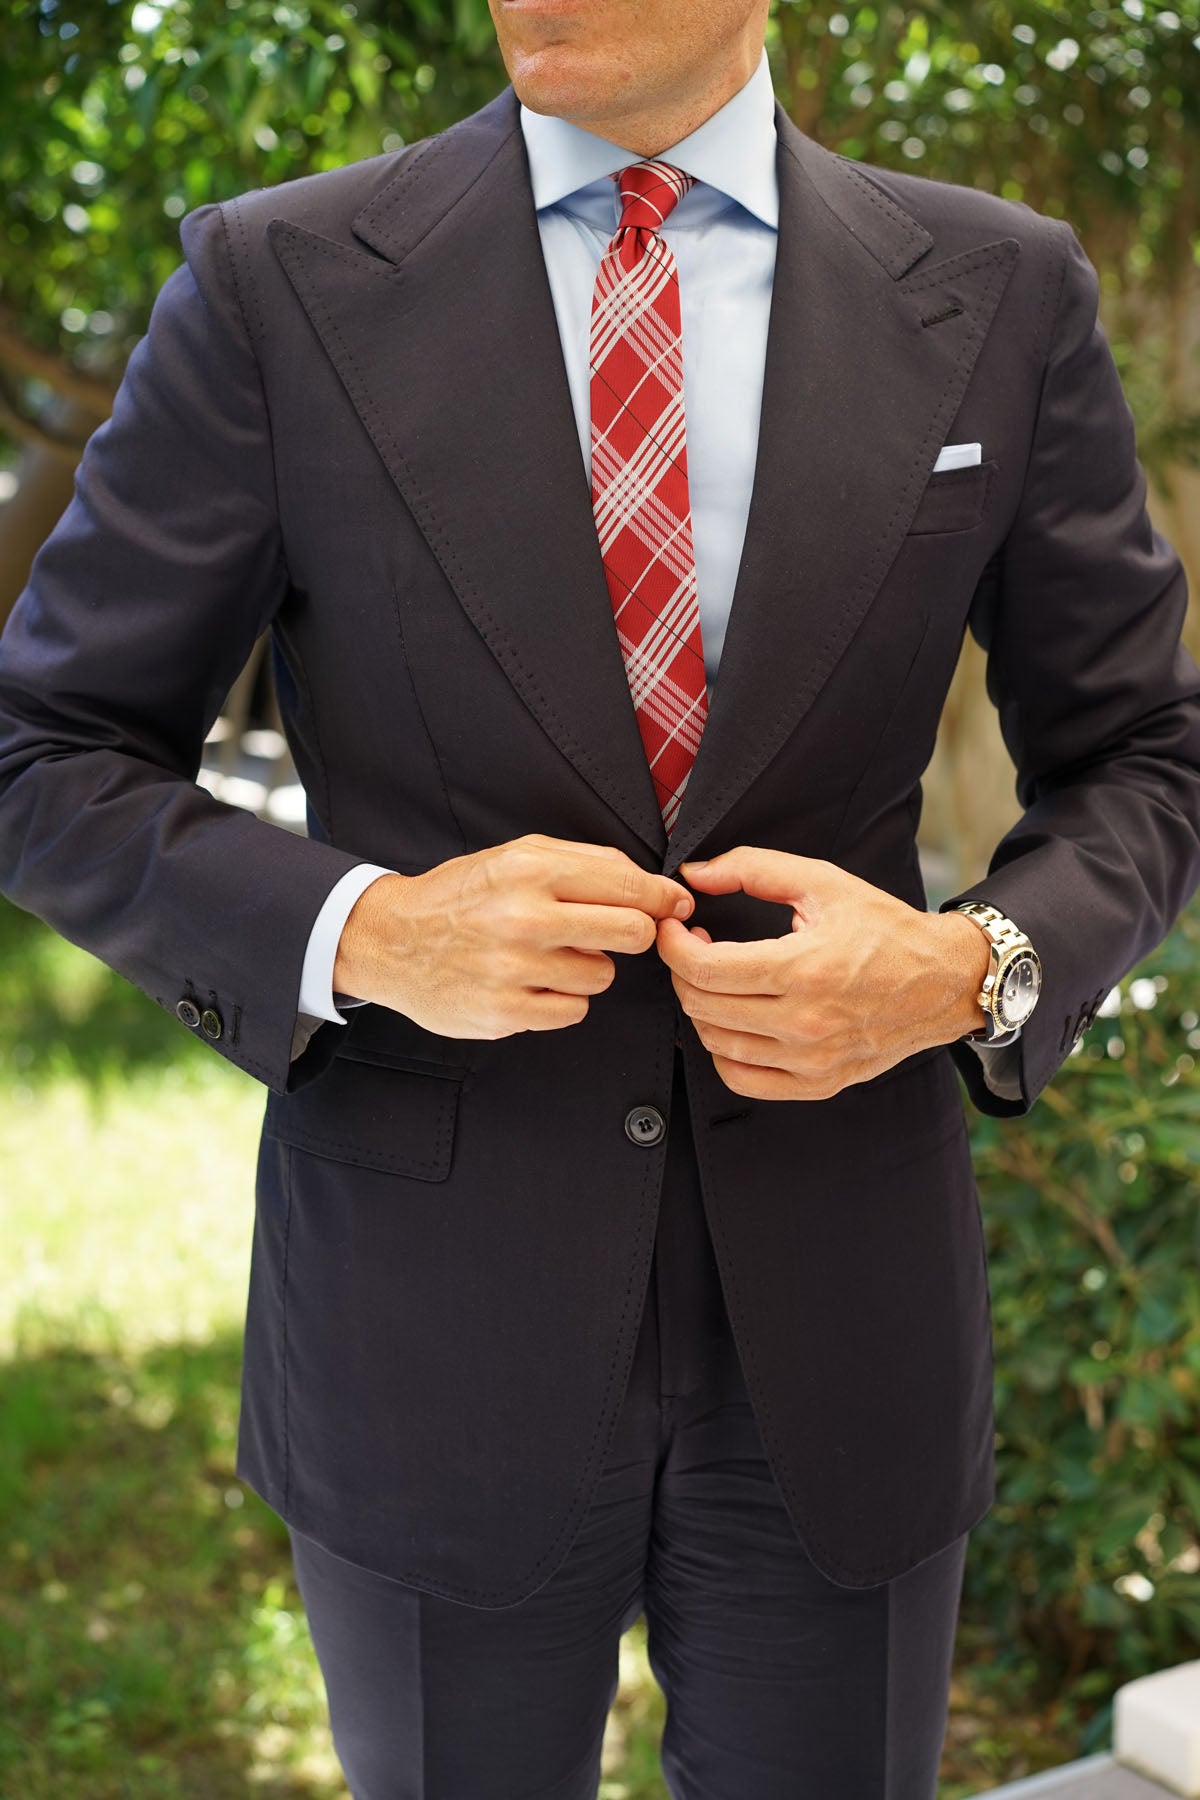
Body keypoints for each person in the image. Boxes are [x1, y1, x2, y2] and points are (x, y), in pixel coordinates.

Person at [1, 0, 1198, 1793]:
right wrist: (364, 934)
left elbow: (1146, 758)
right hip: (428, 1333)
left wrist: (969, 969)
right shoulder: (280, 283)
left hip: (845, 1321)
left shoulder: (997, 291)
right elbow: (47, 745)